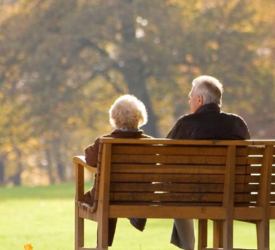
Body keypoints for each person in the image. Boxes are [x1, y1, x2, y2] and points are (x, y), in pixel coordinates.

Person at [167, 75, 251, 250]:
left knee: (177, 190)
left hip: (193, 196)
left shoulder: (186, 123)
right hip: (234, 195)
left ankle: (188, 246)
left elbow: (163, 155)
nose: (190, 102)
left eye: (191, 98)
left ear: (199, 99)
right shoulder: (237, 124)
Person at [83, 94, 151, 247]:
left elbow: (90, 160)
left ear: (114, 117)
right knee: (112, 190)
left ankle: (102, 245)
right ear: (140, 117)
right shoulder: (150, 144)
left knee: (104, 192)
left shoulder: (104, 143)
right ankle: (136, 215)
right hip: (138, 197)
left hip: (107, 197)